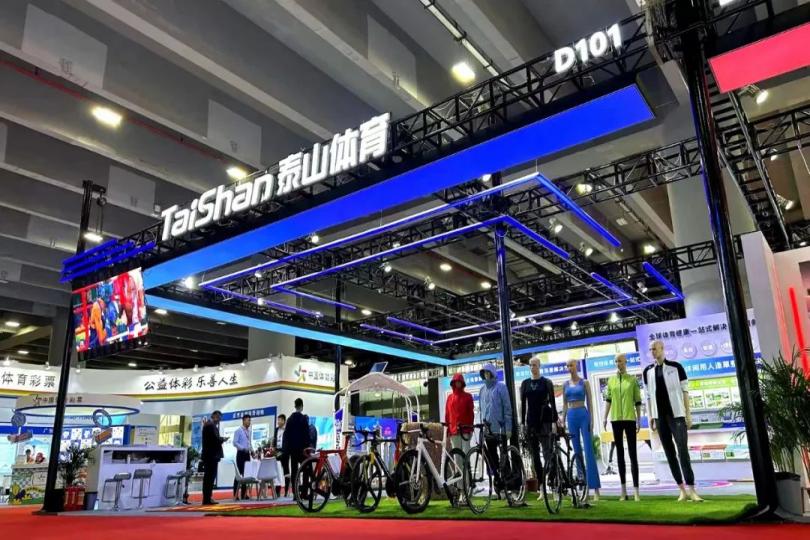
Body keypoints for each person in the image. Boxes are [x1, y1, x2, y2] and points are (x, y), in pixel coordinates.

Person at [643, 340, 703, 502]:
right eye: (650, 349)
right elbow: (648, 396)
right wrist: (651, 416)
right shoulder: (648, 371)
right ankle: (681, 489)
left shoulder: (676, 367)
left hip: (677, 415)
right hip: (659, 417)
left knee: (682, 451)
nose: (653, 352)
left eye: (655, 349)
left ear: (662, 349)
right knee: (669, 453)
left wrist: (688, 414)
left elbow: (685, 392)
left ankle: (692, 489)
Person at [603, 353, 642, 501]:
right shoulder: (611, 380)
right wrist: (604, 417)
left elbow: (637, 401)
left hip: (630, 419)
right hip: (616, 420)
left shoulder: (632, 380)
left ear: (625, 362)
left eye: (620, 361)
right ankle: (623, 490)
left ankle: (636, 491)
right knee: (619, 454)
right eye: (616, 361)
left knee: (633, 454)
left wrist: (639, 419)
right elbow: (608, 399)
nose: (618, 363)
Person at [562, 359, 601, 502]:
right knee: (576, 451)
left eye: (571, 365)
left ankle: (595, 488)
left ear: (576, 366)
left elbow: (590, 402)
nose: (569, 367)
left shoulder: (584, 382)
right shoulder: (565, 384)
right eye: (568, 365)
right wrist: (562, 420)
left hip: (583, 415)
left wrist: (592, 420)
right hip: (571, 415)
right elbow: (565, 404)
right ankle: (582, 486)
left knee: (589, 450)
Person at [520, 356, 558, 498]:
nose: (532, 367)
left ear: (539, 366)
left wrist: (554, 421)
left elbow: (552, 402)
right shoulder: (525, 384)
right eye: (530, 365)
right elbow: (523, 404)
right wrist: (522, 423)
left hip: (545, 420)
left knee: (548, 453)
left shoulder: (546, 382)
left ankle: (553, 484)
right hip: (531, 422)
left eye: (535, 365)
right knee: (535, 456)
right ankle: (541, 487)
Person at [478, 363, 512, 495]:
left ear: (492, 373)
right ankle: (499, 486)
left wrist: (508, 427)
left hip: (501, 428)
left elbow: (507, 408)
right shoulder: (482, 390)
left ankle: (509, 485)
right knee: (492, 458)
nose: (486, 375)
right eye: (484, 372)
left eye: (488, 372)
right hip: (488, 429)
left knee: (504, 458)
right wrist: (482, 426)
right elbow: (482, 410)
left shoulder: (501, 387)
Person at [445, 373, 474, 476]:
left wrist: (471, 428)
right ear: (453, 383)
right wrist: (448, 430)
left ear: (462, 383)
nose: (457, 383)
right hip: (454, 431)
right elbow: (447, 415)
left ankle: (468, 481)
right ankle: (460, 484)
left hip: (465, 430)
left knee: (466, 455)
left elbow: (471, 414)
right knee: (457, 458)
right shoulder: (450, 398)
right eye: (455, 382)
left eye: (459, 381)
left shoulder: (468, 396)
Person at [281, 399, 310, 498]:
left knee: (294, 472)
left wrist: (287, 450)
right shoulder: (303, 419)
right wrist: (308, 448)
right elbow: (306, 435)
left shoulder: (289, 419)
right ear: (302, 406)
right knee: (306, 470)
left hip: (293, 451)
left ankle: (295, 494)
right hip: (302, 450)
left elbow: (286, 435)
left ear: (295, 406)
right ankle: (304, 493)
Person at [201, 410, 227, 505]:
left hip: (210, 455)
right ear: (214, 416)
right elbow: (214, 439)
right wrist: (222, 439)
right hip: (211, 456)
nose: (219, 420)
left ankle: (208, 498)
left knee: (209, 477)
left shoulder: (209, 425)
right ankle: (207, 499)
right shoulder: (210, 425)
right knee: (209, 477)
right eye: (219, 418)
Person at [232, 414, 253, 500]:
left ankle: (244, 494)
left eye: (250, 420)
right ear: (243, 421)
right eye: (248, 420)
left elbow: (249, 443)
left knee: (246, 474)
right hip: (240, 454)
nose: (249, 422)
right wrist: (243, 448)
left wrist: (252, 451)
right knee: (239, 474)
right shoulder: (238, 431)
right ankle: (235, 494)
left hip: (247, 454)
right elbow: (234, 442)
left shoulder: (249, 431)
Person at [274, 414, 288, 496]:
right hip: (278, 452)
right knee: (278, 472)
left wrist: (285, 451)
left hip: (285, 452)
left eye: (279, 420)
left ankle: (286, 491)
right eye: (278, 420)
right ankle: (277, 491)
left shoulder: (287, 430)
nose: (278, 422)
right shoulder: (276, 430)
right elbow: (275, 440)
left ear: (283, 421)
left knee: (286, 472)